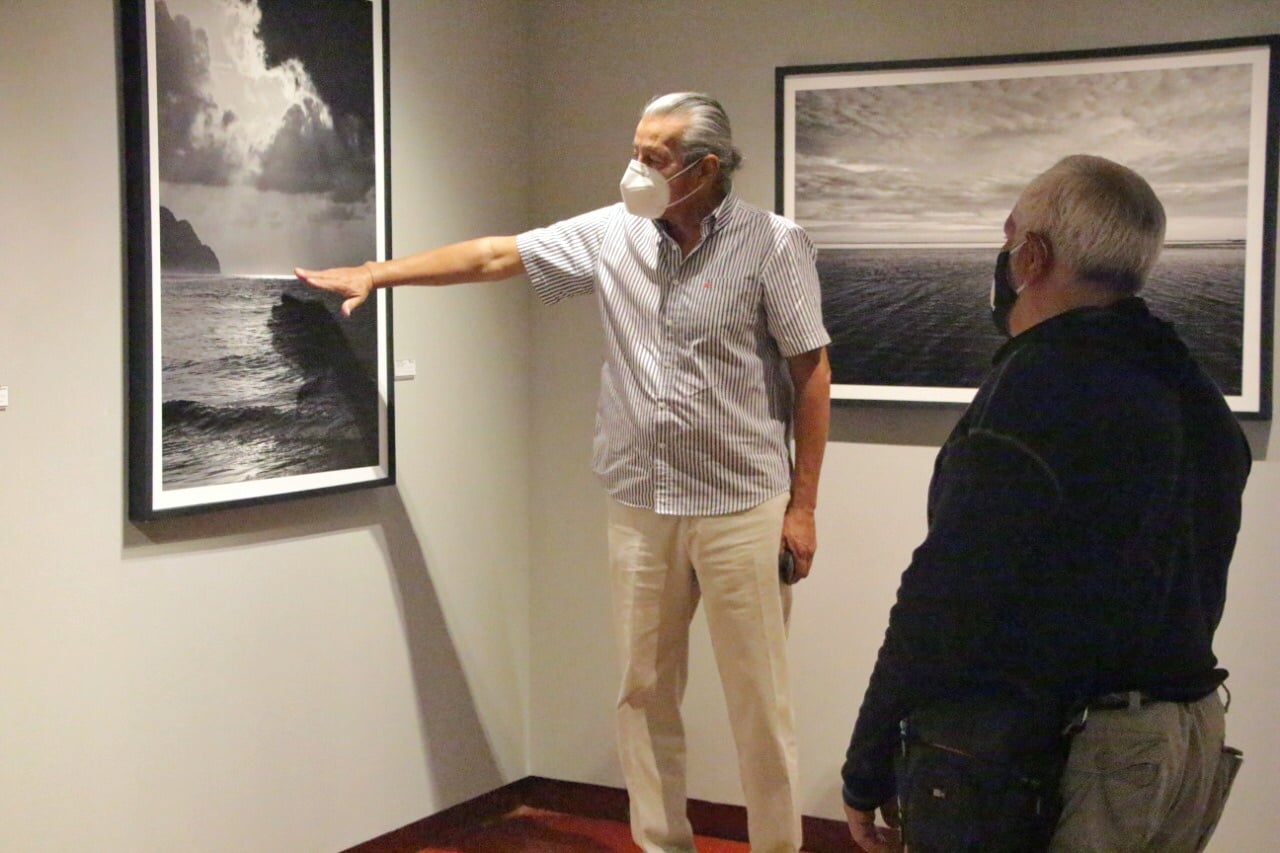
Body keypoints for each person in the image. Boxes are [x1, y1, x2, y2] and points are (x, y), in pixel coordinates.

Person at [297, 92, 831, 853]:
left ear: (705, 168)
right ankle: (662, 843)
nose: (635, 168)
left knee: (759, 703)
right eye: (635, 150)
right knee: (642, 693)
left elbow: (811, 373)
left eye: (654, 157)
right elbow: (494, 256)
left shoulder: (773, 244)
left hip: (741, 503)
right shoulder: (611, 233)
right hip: (641, 501)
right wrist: (376, 274)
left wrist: (802, 508)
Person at [840, 155, 1251, 852]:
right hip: (1189, 735)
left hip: (1085, 750)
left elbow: (945, 596)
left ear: (1031, 256)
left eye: (1008, 237)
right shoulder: (1191, 387)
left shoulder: (1041, 385)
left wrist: (868, 760)